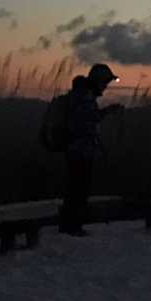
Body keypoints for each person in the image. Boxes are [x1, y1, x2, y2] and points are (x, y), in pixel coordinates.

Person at [59, 63, 124, 236]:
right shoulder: (84, 97)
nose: (106, 86)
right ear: (97, 81)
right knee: (78, 189)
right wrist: (107, 112)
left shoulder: (80, 95)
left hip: (77, 150)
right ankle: (72, 226)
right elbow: (86, 120)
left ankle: (71, 224)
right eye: (105, 82)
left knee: (76, 188)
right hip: (80, 151)